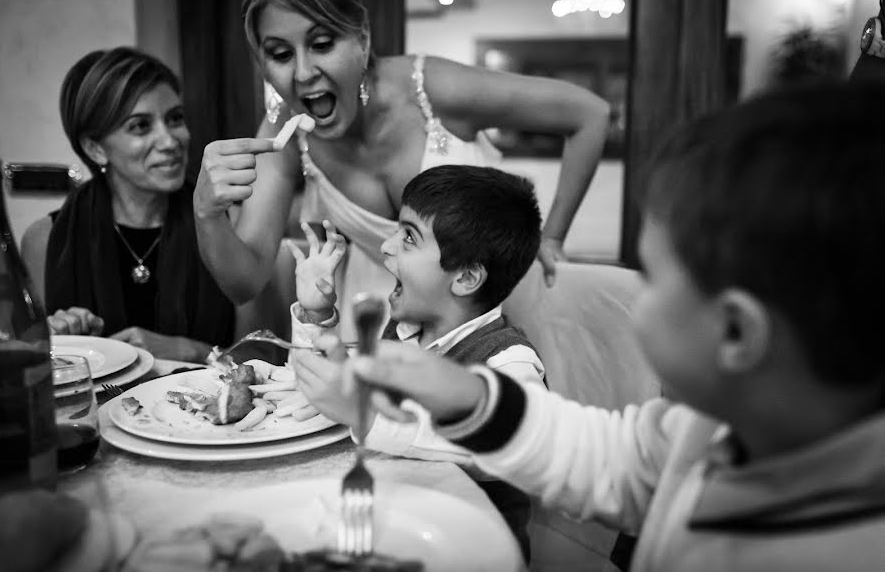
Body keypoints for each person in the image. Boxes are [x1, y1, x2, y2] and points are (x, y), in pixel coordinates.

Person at [332, 82, 885, 570]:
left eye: (655, 275)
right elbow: (605, 458)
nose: (634, 295)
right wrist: (469, 396)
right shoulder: (701, 429)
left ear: (737, 334)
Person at [192, 0, 610, 339]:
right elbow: (244, 282)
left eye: (321, 43)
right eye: (281, 54)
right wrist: (206, 212)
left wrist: (552, 236)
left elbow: (590, 115)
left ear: (362, 38)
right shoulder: (282, 136)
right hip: (386, 323)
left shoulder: (433, 89)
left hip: (500, 314)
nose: (302, 73)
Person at [290, 165, 546, 559]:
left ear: (465, 278)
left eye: (408, 237)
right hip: (398, 526)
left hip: (473, 553)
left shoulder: (509, 360)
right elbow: (324, 391)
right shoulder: (406, 330)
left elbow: (509, 450)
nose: (386, 246)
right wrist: (316, 313)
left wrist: (369, 417)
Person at [22, 47, 234, 361]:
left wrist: (191, 350)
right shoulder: (45, 240)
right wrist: (62, 344)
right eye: (140, 126)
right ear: (95, 149)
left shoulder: (224, 222)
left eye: (175, 118)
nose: (170, 141)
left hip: (208, 408)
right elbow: (33, 370)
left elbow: (264, 354)